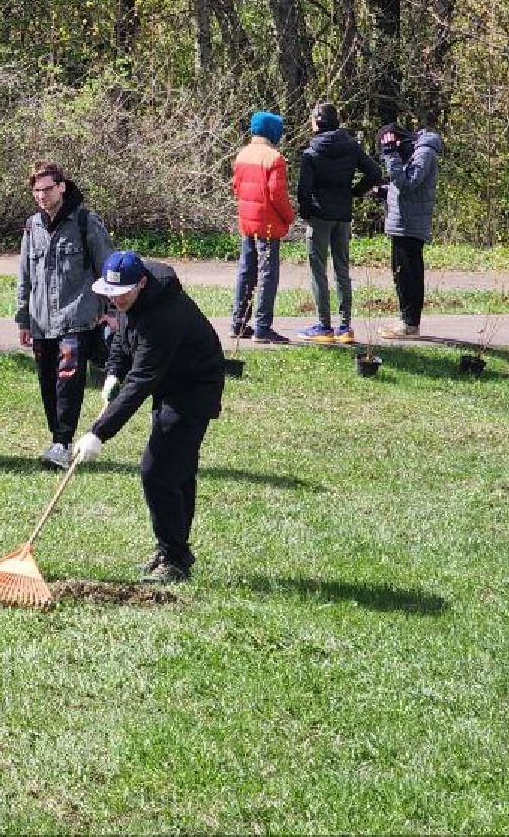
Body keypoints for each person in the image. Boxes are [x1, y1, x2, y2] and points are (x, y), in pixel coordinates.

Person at [73, 250, 225, 585]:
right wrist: (114, 371)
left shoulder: (164, 316)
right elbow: (124, 337)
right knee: (177, 470)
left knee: (158, 471)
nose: (117, 299)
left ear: (142, 283)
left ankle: (174, 559)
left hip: (193, 387)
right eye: (111, 294)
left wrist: (99, 432)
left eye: (122, 293)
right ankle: (174, 553)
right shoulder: (132, 298)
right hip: (170, 382)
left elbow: (142, 381)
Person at [14, 161, 115, 468]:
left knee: (68, 380)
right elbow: (25, 275)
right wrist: (23, 318)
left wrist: (111, 312)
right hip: (41, 319)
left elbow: (108, 268)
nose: (42, 196)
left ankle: (62, 442)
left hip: (77, 317)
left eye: (47, 189)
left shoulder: (86, 222)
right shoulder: (32, 226)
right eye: (36, 191)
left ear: (61, 187)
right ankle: (56, 438)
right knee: (47, 382)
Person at [295, 103, 384, 344]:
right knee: (342, 269)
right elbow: (375, 172)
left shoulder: (311, 153)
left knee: (318, 270)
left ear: (316, 122)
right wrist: (354, 192)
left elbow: (303, 190)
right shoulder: (352, 147)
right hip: (343, 215)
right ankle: (345, 327)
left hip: (319, 215)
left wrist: (306, 212)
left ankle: (324, 326)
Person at [230, 110, 294, 344]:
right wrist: (289, 217)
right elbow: (277, 195)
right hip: (267, 224)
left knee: (246, 270)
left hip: (247, 221)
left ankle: (238, 322)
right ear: (272, 131)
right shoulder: (274, 158)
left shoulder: (242, 155)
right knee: (268, 273)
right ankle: (263, 327)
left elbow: (236, 188)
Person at [378, 118, 445, 339]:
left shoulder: (424, 152)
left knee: (409, 275)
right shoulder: (413, 152)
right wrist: (386, 191)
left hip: (410, 225)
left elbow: (409, 184)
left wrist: (391, 156)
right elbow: (404, 184)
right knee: (401, 274)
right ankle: (406, 320)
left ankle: (410, 324)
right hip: (402, 223)